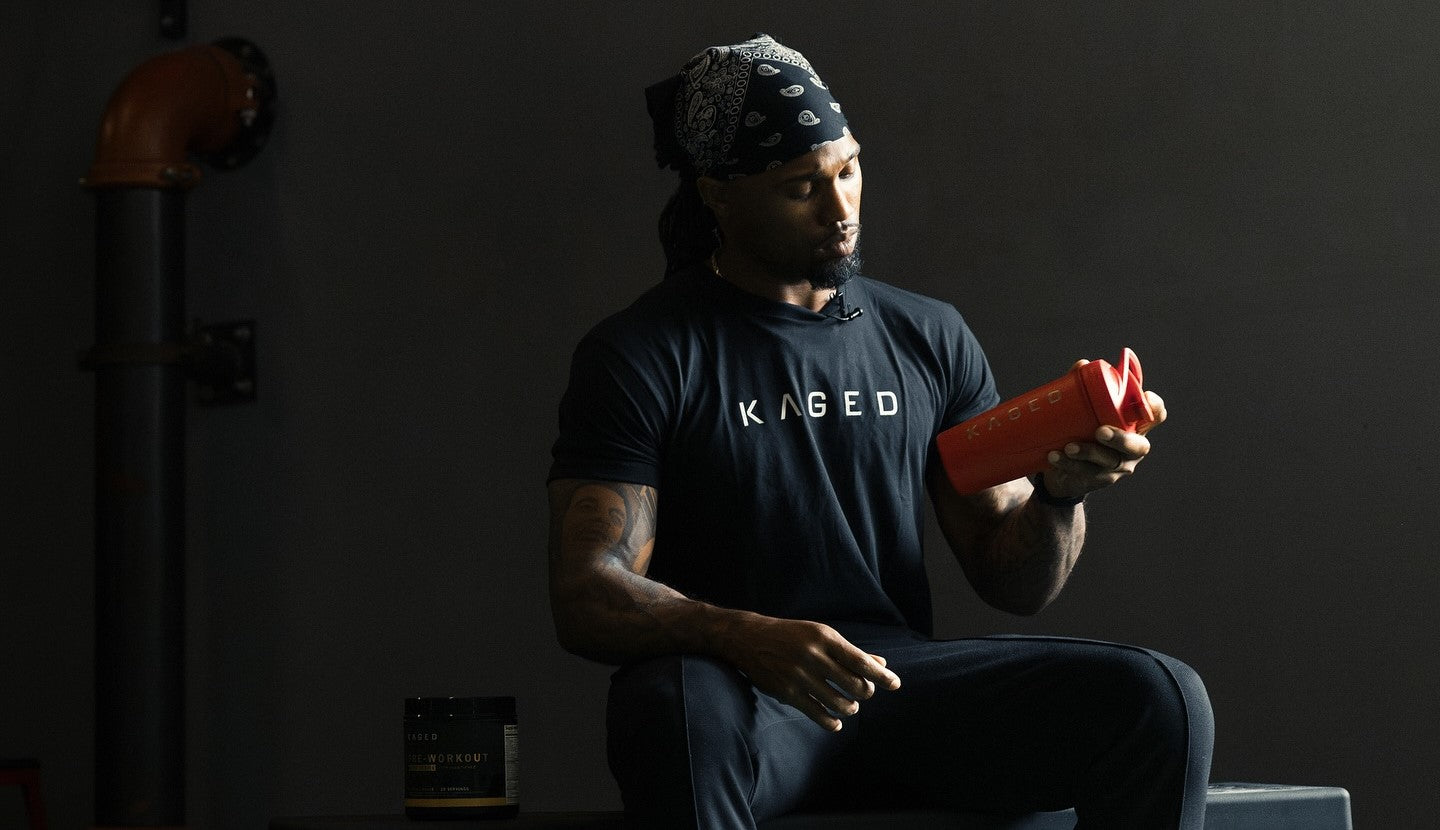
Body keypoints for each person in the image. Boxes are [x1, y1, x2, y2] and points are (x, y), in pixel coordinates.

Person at [547, 33, 1213, 830]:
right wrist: (742, 636)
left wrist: (1059, 496)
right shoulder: (645, 353)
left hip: (896, 686)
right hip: (743, 700)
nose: (841, 210)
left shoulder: (927, 335)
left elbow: (1014, 580)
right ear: (719, 195)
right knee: (676, 706)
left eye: (849, 169)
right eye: (801, 188)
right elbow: (587, 590)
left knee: (1159, 696)